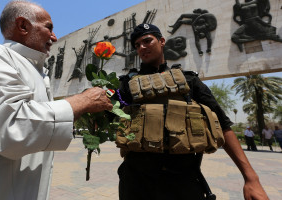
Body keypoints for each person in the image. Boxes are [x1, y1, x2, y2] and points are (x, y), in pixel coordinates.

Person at [0, 1, 112, 200]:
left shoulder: (36, 72)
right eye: (49, 28)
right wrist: (80, 102)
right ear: (23, 26)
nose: (54, 37)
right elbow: (9, 126)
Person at [115, 23, 268, 200]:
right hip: (136, 182)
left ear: (162, 41)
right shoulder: (126, 85)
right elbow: (103, 112)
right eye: (137, 45)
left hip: (183, 180)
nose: (142, 47)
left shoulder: (189, 81)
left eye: (147, 41)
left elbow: (223, 125)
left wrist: (251, 179)